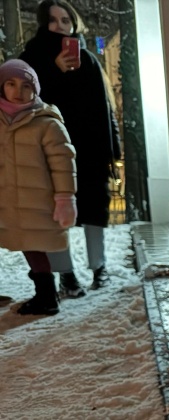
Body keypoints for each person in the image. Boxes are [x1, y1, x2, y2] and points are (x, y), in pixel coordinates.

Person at [19, 0, 120, 295]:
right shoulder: (31, 59)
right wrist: (53, 70)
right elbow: (25, 103)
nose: (61, 26)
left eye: (66, 20)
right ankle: (66, 274)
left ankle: (99, 267)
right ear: (42, 23)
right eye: (54, 20)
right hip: (49, 151)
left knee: (94, 209)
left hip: (89, 150)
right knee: (55, 214)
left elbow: (104, 108)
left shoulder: (87, 59)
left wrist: (111, 150)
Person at [0, 59, 77, 316]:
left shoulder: (46, 123)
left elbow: (62, 162)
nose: (18, 91)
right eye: (10, 84)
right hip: (4, 198)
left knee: (33, 245)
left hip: (35, 201)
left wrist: (65, 197)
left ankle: (46, 295)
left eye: (26, 85)